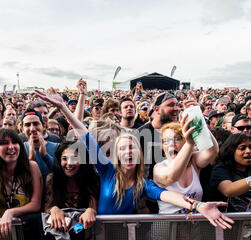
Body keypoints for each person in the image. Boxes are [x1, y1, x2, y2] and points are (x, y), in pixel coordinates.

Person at [34, 88, 232, 229]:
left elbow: (169, 196)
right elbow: (84, 135)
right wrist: (63, 107)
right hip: (96, 235)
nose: (128, 151)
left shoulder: (143, 184)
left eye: (132, 147)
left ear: (139, 154)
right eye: (122, 148)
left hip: (122, 239)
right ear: (117, 156)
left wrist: (199, 206)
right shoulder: (107, 171)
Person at [43, 141, 100, 240]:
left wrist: (90, 210)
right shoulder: (52, 179)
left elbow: (93, 207)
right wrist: (54, 209)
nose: (69, 163)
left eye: (75, 158)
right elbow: (47, 207)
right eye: (64, 158)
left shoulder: (91, 178)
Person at [0, 128, 43, 239]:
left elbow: (36, 205)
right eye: (4, 143)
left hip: (26, 232)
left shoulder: (32, 167)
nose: (11, 147)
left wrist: (10, 212)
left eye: (15, 142)